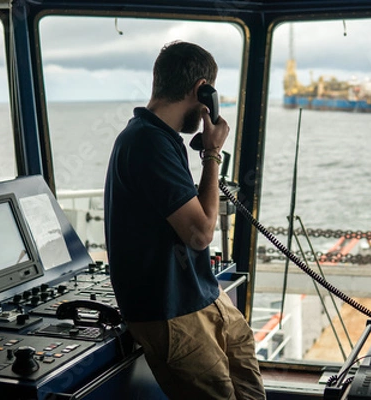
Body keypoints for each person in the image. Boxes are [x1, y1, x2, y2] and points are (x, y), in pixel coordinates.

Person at [104, 41, 265, 400]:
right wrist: (211, 153)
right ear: (202, 89)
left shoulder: (162, 138)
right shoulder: (146, 142)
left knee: (250, 387)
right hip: (171, 312)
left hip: (202, 295)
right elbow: (200, 233)